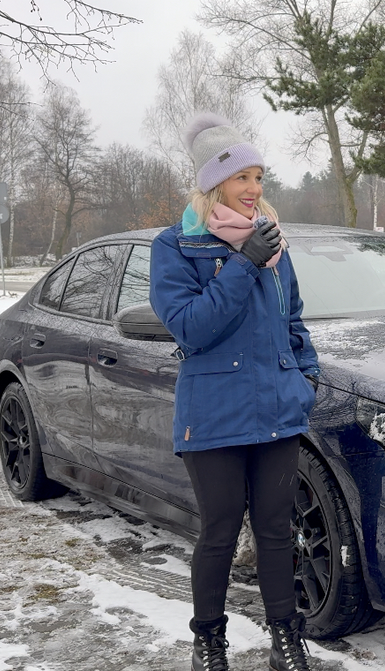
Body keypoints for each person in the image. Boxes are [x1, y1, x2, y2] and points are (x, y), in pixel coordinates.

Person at [150, 112, 320, 671]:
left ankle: (285, 639)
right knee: (220, 530)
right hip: (214, 413)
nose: (255, 190)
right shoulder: (176, 246)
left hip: (277, 408)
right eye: (243, 178)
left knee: (275, 530)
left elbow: (293, 320)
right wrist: (241, 265)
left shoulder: (275, 245)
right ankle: (209, 641)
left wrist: (305, 375)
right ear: (214, 182)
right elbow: (192, 327)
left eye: (260, 178)